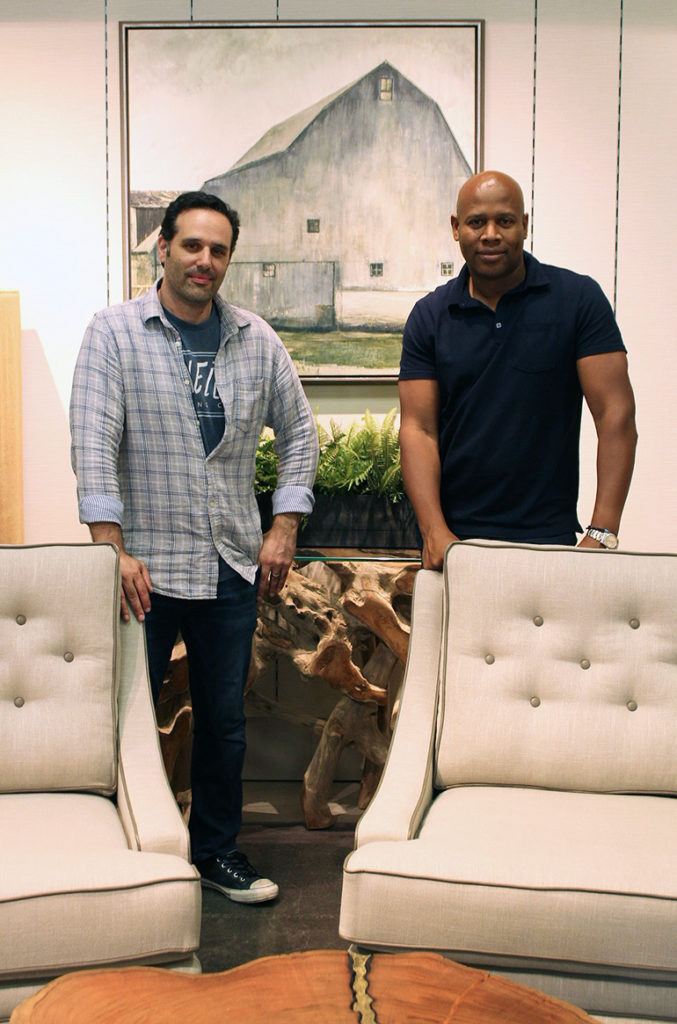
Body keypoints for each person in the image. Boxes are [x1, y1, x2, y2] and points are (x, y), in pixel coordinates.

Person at [70, 191, 318, 903]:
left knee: (225, 723)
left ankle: (215, 853)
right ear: (164, 249)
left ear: (227, 259)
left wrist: (283, 526)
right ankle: (117, 855)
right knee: (123, 720)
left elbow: (300, 435)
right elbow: (93, 444)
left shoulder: (255, 338)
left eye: (218, 250)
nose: (204, 260)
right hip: (142, 569)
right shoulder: (114, 334)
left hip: (229, 564)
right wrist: (110, 549)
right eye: (191, 246)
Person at [399, 170, 637, 569]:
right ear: (456, 228)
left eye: (505, 221)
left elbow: (616, 415)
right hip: (455, 544)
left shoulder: (578, 300)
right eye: (477, 222)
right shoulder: (429, 316)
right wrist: (434, 531)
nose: (491, 234)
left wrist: (601, 532)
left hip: (550, 541)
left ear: (524, 225)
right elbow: (417, 430)